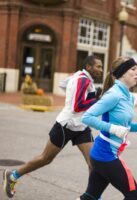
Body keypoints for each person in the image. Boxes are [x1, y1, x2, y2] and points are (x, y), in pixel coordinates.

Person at [2, 55, 103, 198]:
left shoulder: (79, 77)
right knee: (45, 159)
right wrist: (96, 100)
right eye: (98, 66)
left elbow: (63, 84)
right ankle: (12, 175)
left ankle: (93, 196)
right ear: (88, 67)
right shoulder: (83, 80)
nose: (101, 69)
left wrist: (89, 96)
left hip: (81, 127)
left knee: (93, 162)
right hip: (66, 125)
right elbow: (77, 106)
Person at [78, 57, 137, 200]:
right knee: (133, 196)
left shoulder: (128, 96)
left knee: (90, 197)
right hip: (105, 155)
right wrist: (112, 129)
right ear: (123, 73)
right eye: (133, 69)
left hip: (104, 155)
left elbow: (123, 125)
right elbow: (87, 117)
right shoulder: (114, 95)